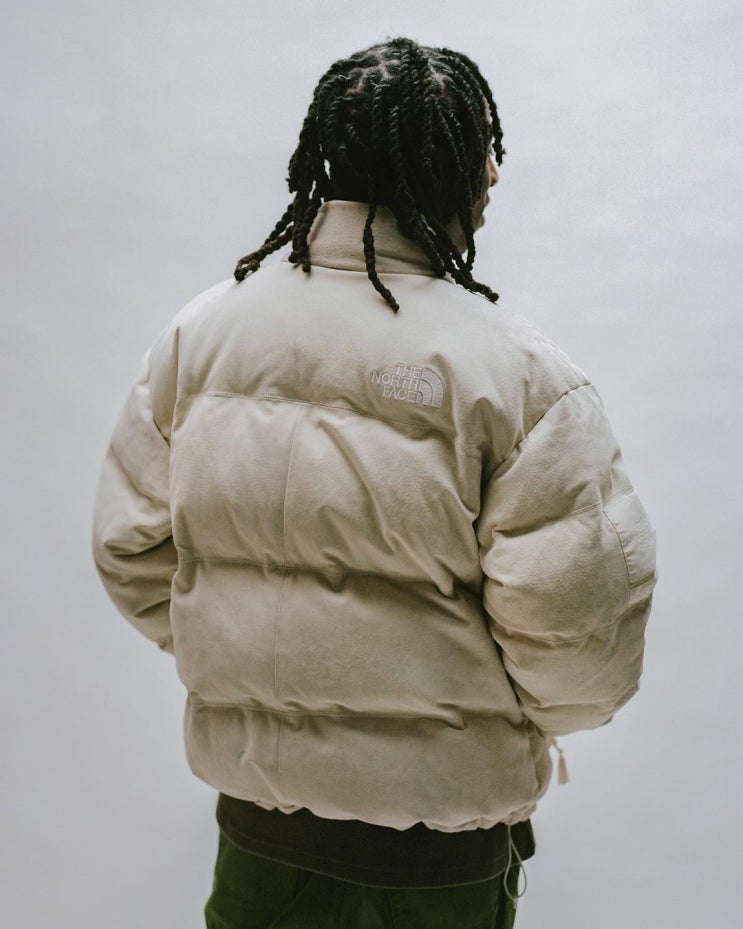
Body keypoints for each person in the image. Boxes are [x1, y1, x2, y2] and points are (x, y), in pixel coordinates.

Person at [92, 37, 657, 929]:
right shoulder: (518, 375)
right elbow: (577, 633)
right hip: (436, 857)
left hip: (258, 830)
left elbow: (131, 553)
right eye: (484, 152)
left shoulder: (199, 337)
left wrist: (258, 665)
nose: (495, 174)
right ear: (453, 165)